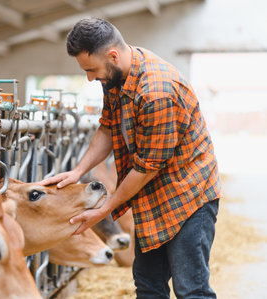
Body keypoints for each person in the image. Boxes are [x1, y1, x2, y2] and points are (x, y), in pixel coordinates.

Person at [40, 18, 222, 298]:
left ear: (112, 55)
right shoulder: (115, 74)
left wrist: (105, 209)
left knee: (191, 288)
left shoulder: (157, 92)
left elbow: (147, 167)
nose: (90, 78)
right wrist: (78, 171)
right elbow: (108, 125)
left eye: (91, 70)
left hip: (187, 195)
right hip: (151, 195)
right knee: (148, 285)